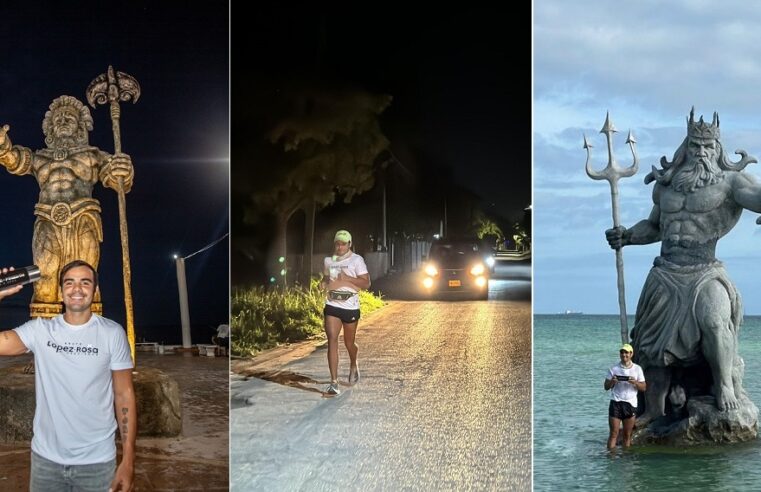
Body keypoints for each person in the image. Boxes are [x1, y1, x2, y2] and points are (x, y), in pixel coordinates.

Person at [606, 108, 761, 424]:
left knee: (715, 321)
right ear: (685, 147)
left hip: (704, 270)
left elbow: (756, 196)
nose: (701, 153)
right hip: (665, 272)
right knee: (650, 345)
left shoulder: (731, 182)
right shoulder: (666, 184)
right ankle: (654, 409)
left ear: (717, 148)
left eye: (708, 147)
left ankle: (724, 386)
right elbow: (654, 227)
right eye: (694, 146)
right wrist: (627, 236)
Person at [0, 260, 136, 491]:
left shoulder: (112, 333)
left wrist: (129, 460)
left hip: (98, 462)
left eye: (85, 282)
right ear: (61, 291)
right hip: (46, 462)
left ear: (94, 290)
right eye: (69, 282)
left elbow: (124, 394)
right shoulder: (40, 330)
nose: (77, 289)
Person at [0, 96, 134, 318]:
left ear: (80, 127)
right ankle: (45, 343)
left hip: (83, 217)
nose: (62, 120)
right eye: (58, 118)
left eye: (69, 117)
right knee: (44, 278)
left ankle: (87, 341)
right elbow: (14, 160)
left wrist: (122, 169)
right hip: (47, 219)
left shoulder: (93, 155)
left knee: (83, 279)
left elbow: (114, 178)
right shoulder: (39, 156)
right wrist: (3, 147)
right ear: (50, 128)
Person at [320, 230, 371, 395]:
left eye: (343, 243)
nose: (340, 246)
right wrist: (322, 283)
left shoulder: (357, 260)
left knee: (349, 343)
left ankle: (353, 362)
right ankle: (334, 382)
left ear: (349, 244)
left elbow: (366, 283)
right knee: (332, 340)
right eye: (337, 243)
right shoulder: (329, 261)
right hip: (332, 304)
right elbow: (326, 278)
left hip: (350, 306)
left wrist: (346, 278)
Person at [604, 344, 646, 449]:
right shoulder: (613, 369)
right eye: (622, 352)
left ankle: (626, 460)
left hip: (630, 403)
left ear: (631, 354)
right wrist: (612, 381)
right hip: (616, 402)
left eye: (626, 352)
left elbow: (644, 387)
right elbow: (606, 387)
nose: (624, 355)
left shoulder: (637, 369)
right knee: (613, 434)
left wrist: (635, 382)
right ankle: (611, 460)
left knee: (627, 435)